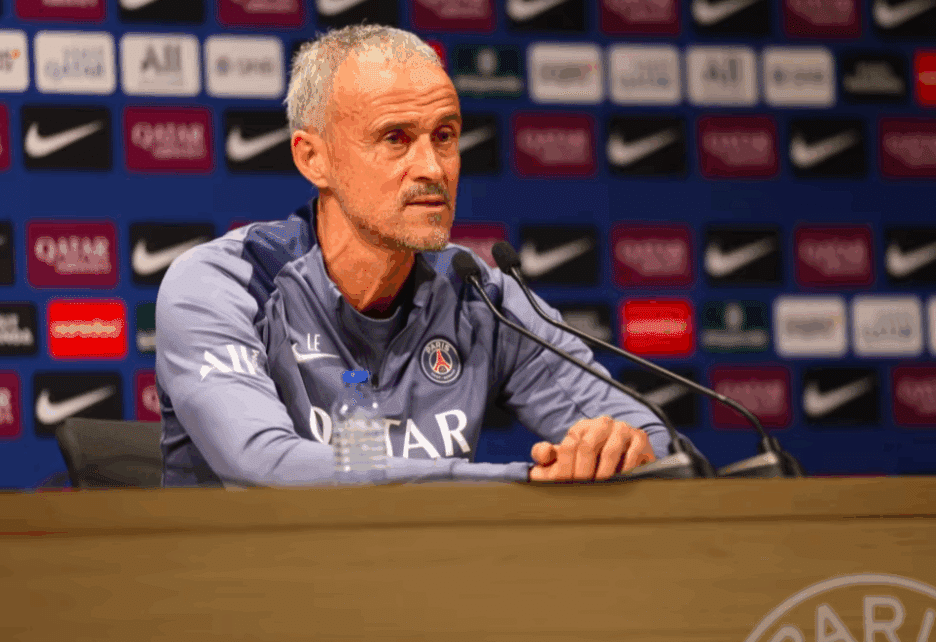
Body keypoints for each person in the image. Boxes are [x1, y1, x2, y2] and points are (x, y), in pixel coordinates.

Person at [156, 24, 692, 487]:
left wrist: (622, 448)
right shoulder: (226, 284)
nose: (432, 167)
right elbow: (264, 466)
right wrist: (524, 480)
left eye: (444, 136)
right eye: (396, 138)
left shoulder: (482, 296)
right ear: (313, 158)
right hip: (239, 591)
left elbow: (658, 449)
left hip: (415, 589)